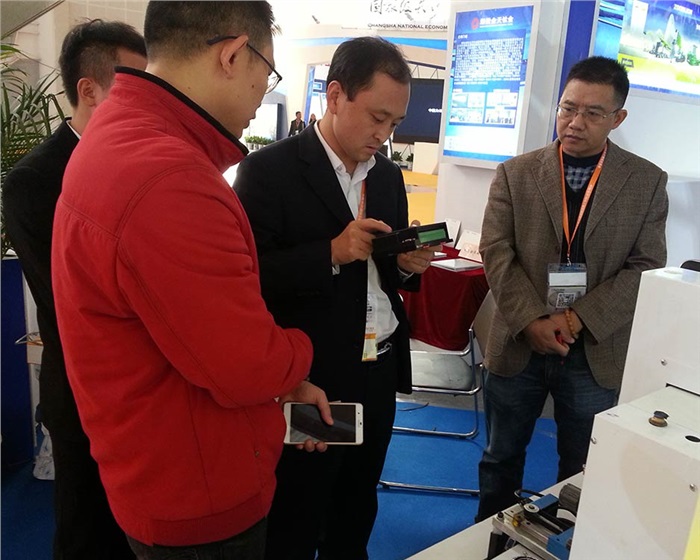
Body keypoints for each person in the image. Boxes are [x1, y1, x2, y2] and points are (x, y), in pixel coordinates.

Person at [50, 2, 330, 558]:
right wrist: (300, 351)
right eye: (267, 73)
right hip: (197, 491)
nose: (262, 95)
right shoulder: (168, 176)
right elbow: (244, 364)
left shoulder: (119, 133)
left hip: (156, 460)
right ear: (232, 54)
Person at [234, 36, 436, 560]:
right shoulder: (268, 171)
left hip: (378, 365)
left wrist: (406, 265)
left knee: (357, 500)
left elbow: (382, 270)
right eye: (377, 117)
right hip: (314, 374)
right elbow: (245, 279)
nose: (383, 135)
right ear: (336, 95)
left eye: (395, 123)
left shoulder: (387, 176)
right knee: (300, 505)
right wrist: (329, 252)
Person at [476, 56, 669, 523]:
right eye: (568, 108)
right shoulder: (516, 173)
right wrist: (533, 320)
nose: (575, 122)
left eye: (593, 113)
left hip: (594, 350)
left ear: (618, 118)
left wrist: (574, 319)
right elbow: (496, 250)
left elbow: (645, 265)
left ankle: (568, 540)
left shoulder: (646, 182)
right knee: (501, 457)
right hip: (520, 342)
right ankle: (489, 537)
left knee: (581, 467)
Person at [3, 20, 147, 560]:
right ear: (89, 89)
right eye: (134, 88)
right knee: (86, 534)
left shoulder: (143, 164)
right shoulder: (34, 180)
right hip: (87, 392)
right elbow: (72, 300)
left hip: (149, 392)